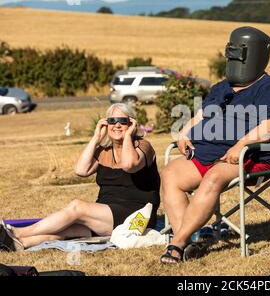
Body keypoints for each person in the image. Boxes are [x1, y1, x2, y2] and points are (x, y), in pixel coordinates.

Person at [160, 26, 270, 263]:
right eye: (231, 52)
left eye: (239, 53)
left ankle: (177, 243)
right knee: (171, 174)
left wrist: (242, 143)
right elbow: (201, 116)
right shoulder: (221, 87)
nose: (234, 57)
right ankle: (189, 240)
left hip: (250, 158)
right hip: (206, 154)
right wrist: (184, 133)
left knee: (214, 177)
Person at [0, 103, 160, 251]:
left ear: (131, 124)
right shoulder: (103, 151)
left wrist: (128, 137)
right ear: (106, 124)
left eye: (122, 121)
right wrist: (96, 137)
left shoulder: (143, 146)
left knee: (77, 206)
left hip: (135, 214)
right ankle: (17, 244)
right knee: (65, 230)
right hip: (104, 215)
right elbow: (81, 170)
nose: (117, 125)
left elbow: (129, 165)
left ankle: (17, 232)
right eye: (112, 120)